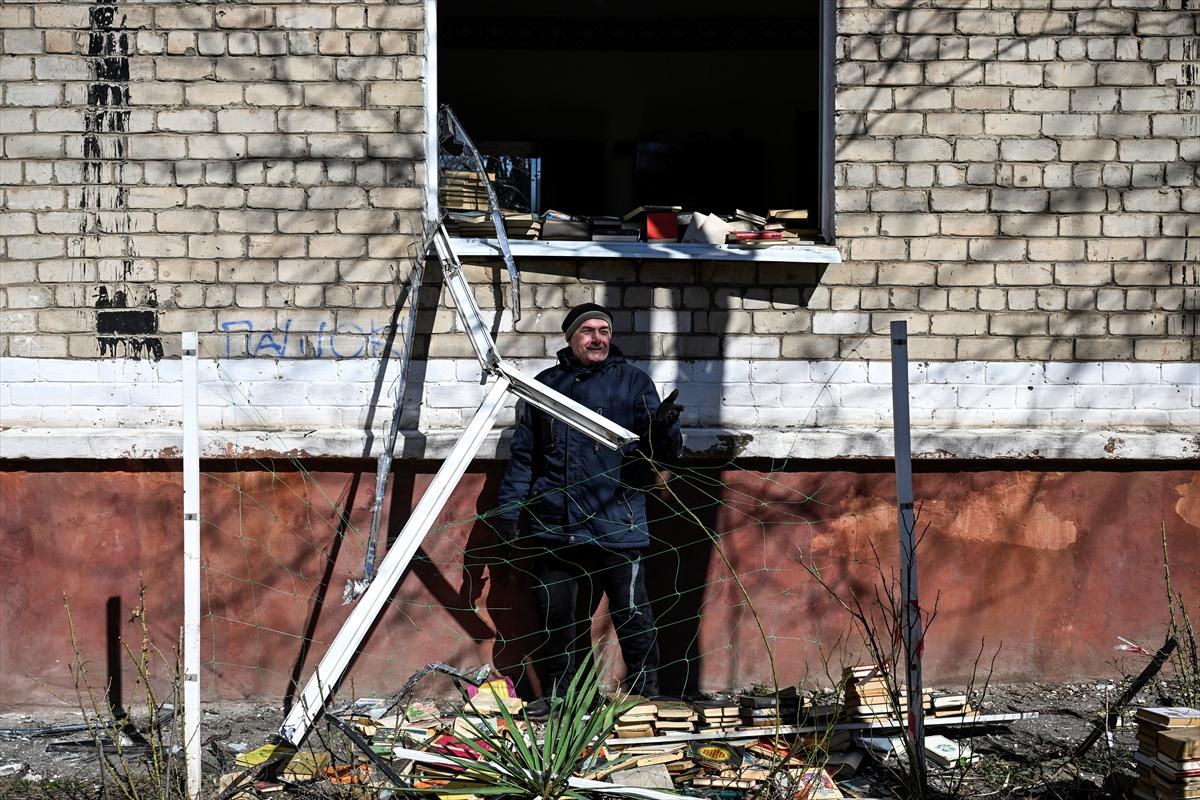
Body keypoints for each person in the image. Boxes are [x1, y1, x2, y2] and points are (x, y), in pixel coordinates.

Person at [494, 303, 683, 718]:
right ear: (570, 338)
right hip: (554, 523)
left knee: (632, 613)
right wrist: (508, 512)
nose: (597, 338)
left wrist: (665, 429)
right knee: (555, 616)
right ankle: (563, 698)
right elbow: (525, 456)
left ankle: (644, 697)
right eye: (587, 331)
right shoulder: (544, 386)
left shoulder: (633, 383)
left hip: (618, 519)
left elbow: (657, 457)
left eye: (603, 330)